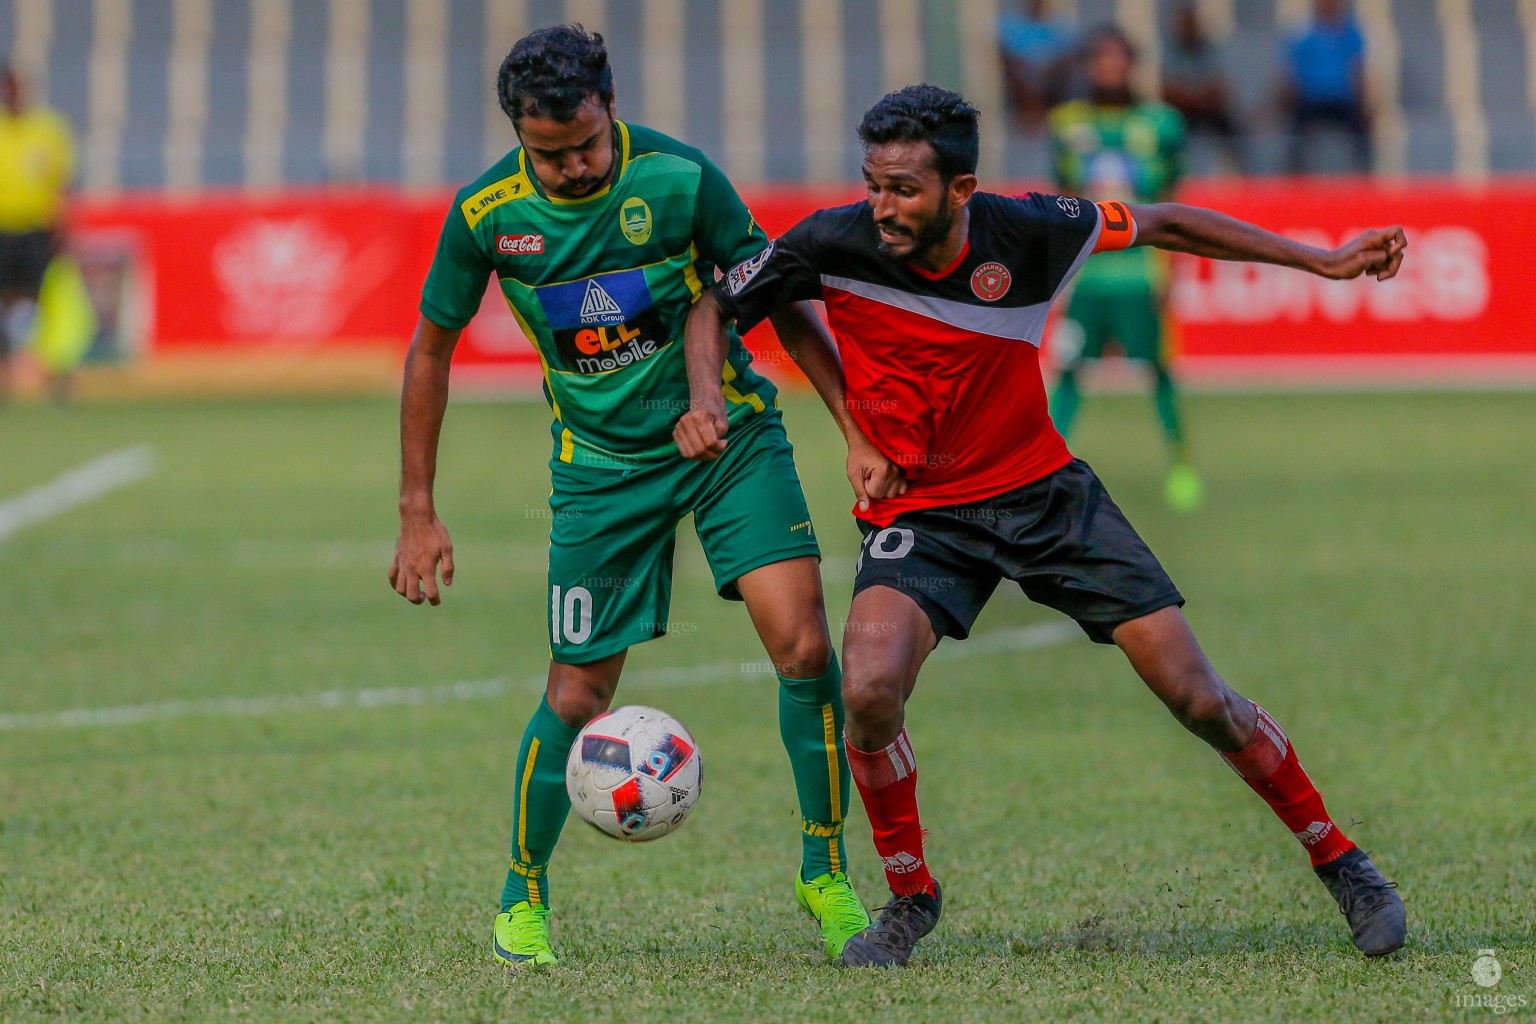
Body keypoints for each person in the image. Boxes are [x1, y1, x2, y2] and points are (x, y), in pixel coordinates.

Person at [677, 84, 1408, 968]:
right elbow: (718, 306)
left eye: (904, 189)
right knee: (867, 690)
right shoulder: (833, 239)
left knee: (1198, 697)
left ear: (961, 189)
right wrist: (718, 398)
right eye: (873, 184)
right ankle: (910, 898)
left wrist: (1322, 261)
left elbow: (1168, 220)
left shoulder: (1033, 228)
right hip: (921, 510)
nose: (882, 207)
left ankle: (1345, 864)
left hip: (1045, 497)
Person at [389, 25, 888, 967]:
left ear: (611, 104)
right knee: (578, 691)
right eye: (550, 153)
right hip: (599, 467)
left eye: (584, 142)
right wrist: (418, 506)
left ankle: (826, 873)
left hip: (730, 439)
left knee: (806, 646)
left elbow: (774, 294)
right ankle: (522, 896)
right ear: (518, 136)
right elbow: (430, 351)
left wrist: (852, 429)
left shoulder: (683, 179)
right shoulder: (486, 215)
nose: (573, 166)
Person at [1047, 26, 1201, 511]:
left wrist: (1171, 270)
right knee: (1069, 372)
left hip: (1140, 276)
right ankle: (1043, 473)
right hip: (1089, 276)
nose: (1110, 70)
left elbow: (1174, 203)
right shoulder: (1067, 123)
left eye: (1118, 61)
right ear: (1090, 67)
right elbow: (1061, 204)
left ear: (1132, 66)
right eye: (1101, 61)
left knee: (1160, 371)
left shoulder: (1162, 124)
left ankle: (1181, 466)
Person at [0, 61, 76, 402]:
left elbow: (60, 184)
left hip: (36, 231)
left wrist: (63, 228)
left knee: (47, 302)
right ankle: (5, 376)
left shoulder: (48, 129)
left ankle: (56, 372)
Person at [1281, 0, 1371, 174]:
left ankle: (1365, 177)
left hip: (1343, 102)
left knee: (1363, 134)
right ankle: (1293, 179)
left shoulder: (1351, 34)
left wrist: (1363, 102)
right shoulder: (1304, 36)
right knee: (1295, 135)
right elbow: (1292, 74)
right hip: (1311, 102)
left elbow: (1357, 71)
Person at [1161, 3, 1245, 173]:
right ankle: (1171, 171)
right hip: (1183, 112)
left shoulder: (1209, 49)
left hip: (1207, 109)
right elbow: (1168, 91)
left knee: (1233, 128)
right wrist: (1195, 97)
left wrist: (1191, 97)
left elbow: (1218, 89)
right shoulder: (1170, 51)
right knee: (1168, 128)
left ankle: (1240, 171)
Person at [998, 0, 1078, 131]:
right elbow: (1007, 57)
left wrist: (1044, 73)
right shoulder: (1009, 25)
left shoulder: (1060, 25)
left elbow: (1067, 58)